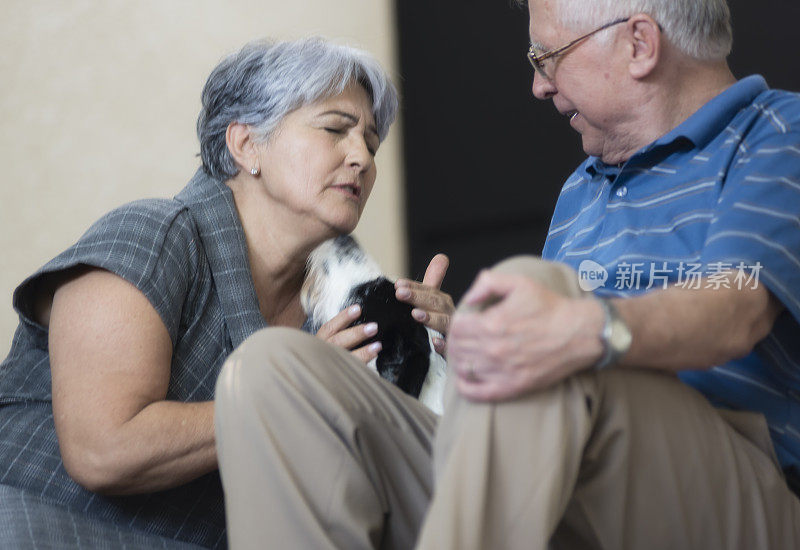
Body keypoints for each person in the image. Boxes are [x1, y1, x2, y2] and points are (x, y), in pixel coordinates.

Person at [213, 0, 800, 548]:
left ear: (640, 45)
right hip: (561, 481)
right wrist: (468, 340)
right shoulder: (583, 189)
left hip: (733, 485)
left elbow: (736, 306)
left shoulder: (778, 133)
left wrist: (581, 327)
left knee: (536, 302)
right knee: (275, 371)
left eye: (547, 58)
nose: (538, 86)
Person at [0, 37, 452, 549]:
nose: (362, 158)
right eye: (335, 129)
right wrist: (295, 393)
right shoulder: (150, 236)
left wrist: (445, 366)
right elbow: (103, 449)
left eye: (371, 142)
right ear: (246, 145)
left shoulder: (337, 311)